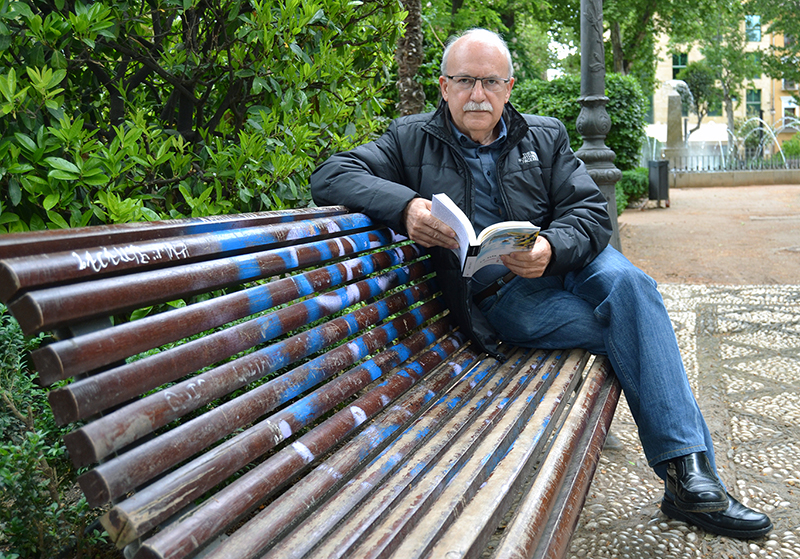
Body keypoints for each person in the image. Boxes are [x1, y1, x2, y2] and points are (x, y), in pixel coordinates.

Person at [310, 28, 772, 539]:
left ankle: (690, 479)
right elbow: (331, 175)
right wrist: (406, 206)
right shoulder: (409, 138)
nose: (477, 95)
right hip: (503, 297)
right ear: (443, 86)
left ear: (509, 87)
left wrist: (551, 247)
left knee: (632, 289)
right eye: (464, 81)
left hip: (570, 265)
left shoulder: (543, 135)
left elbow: (591, 213)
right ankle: (691, 480)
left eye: (489, 82)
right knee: (640, 329)